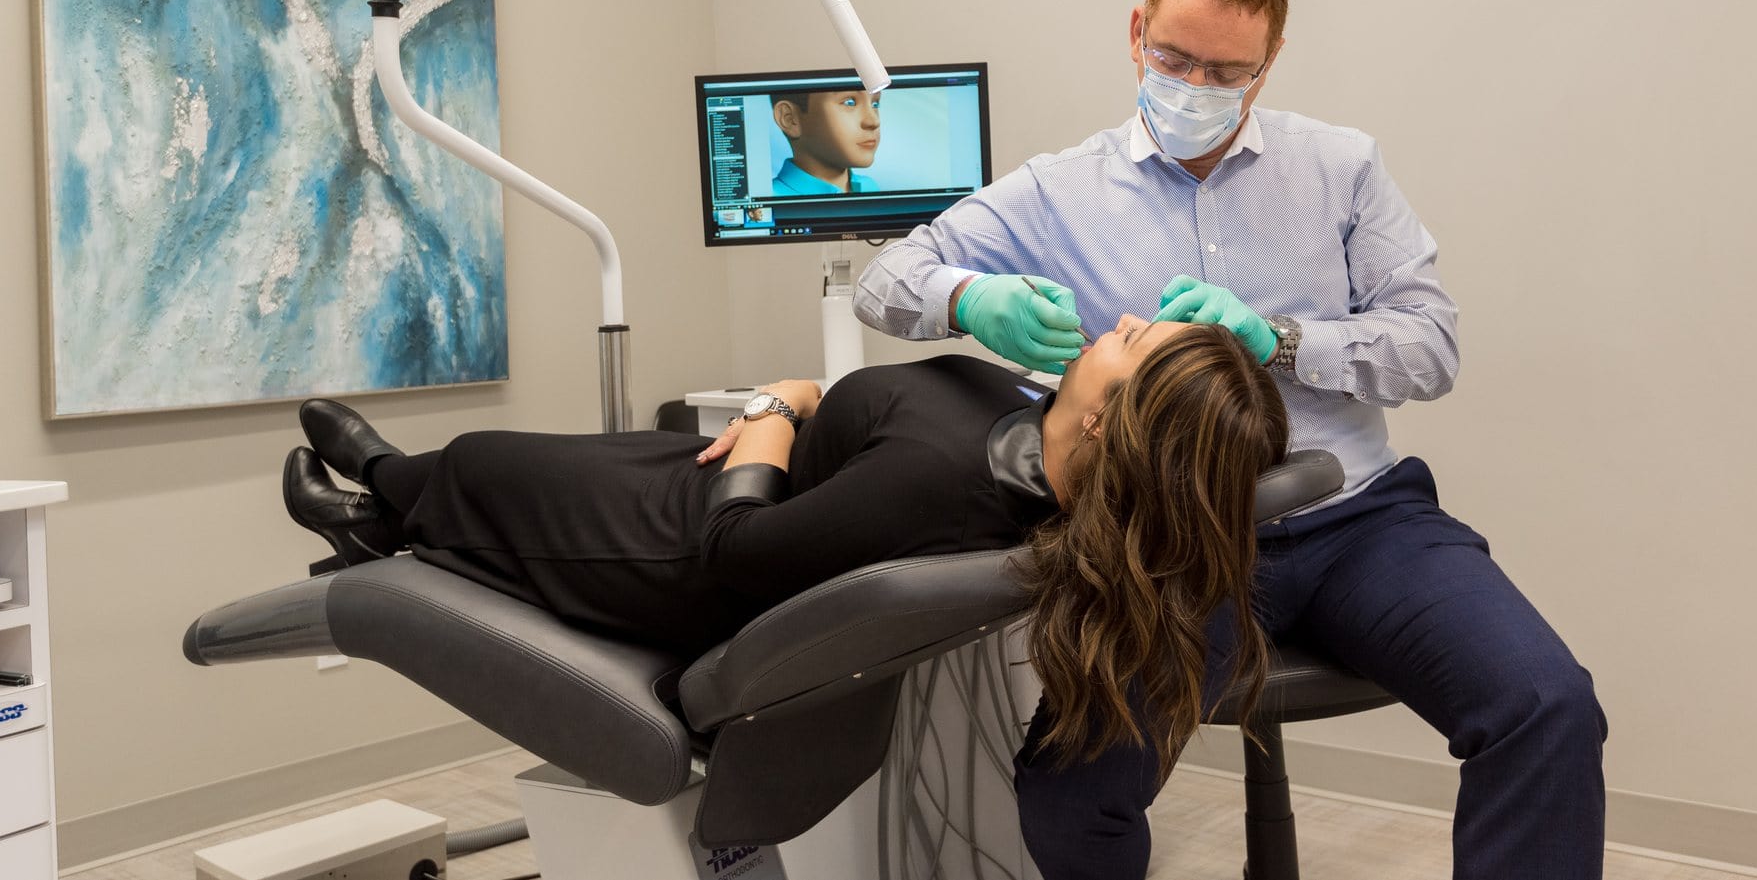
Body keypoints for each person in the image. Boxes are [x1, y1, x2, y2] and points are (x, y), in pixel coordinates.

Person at [854, 0, 1607, 880]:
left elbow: (1432, 345)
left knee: (1548, 705)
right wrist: (970, 298)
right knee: (1068, 791)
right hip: (1177, 541)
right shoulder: (1058, 192)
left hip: (1358, 520)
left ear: (1270, 60)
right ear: (1136, 32)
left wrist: (1285, 338)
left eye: (1226, 69)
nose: (1193, 83)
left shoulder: (1341, 170)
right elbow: (888, 280)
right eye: (1173, 56)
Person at [283, 317, 1288, 776]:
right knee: (566, 454)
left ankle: (376, 502)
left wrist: (773, 405)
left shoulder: (939, 493)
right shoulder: (1040, 420)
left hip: (682, 543)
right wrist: (805, 405)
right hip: (754, 467)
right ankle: (380, 515)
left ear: (1113, 422)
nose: (1119, 320)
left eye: (1133, 341)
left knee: (484, 466)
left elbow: (733, 549)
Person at [768, 88, 880, 194]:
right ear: (790, 119)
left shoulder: (870, 187)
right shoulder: (768, 200)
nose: (874, 122)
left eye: (875, 104)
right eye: (849, 102)